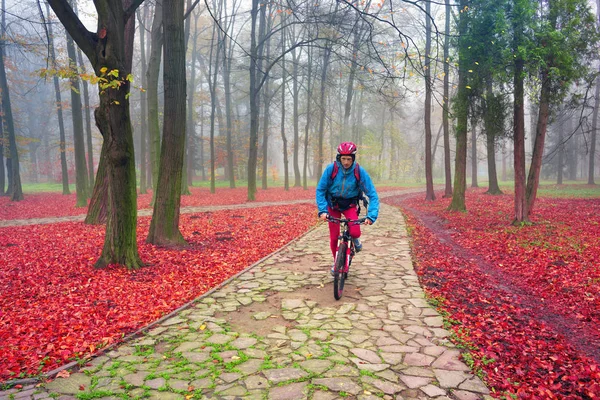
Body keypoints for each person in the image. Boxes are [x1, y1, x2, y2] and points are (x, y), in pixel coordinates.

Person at [316, 141, 379, 275]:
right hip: (333, 205)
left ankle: (354, 241)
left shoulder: (358, 172)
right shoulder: (331, 170)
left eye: (349, 159)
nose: (346, 162)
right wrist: (322, 210)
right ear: (339, 158)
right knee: (334, 238)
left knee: (355, 232)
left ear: (353, 159)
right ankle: (337, 264)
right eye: (343, 159)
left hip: (349, 205)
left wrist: (371, 216)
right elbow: (320, 190)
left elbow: (372, 194)